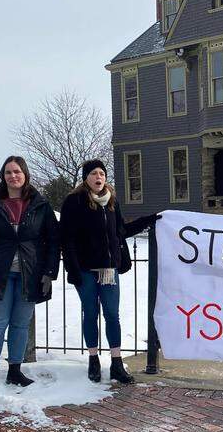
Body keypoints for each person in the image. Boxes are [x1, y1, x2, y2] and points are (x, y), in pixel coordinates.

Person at [0, 156, 59, 393]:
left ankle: (15, 370)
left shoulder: (40, 203)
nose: (12, 176)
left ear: (25, 174)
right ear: (2, 176)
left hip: (30, 273)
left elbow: (52, 241)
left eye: (17, 171)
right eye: (8, 172)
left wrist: (49, 272)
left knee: (20, 324)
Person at [60, 159, 158, 385]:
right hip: (85, 270)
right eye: (93, 173)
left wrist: (147, 220)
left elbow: (121, 230)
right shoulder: (74, 201)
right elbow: (67, 239)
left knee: (112, 315)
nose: (98, 177)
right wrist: (72, 268)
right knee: (91, 314)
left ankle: (116, 362)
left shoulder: (111, 200)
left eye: (101, 173)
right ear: (86, 178)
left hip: (108, 270)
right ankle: (93, 359)